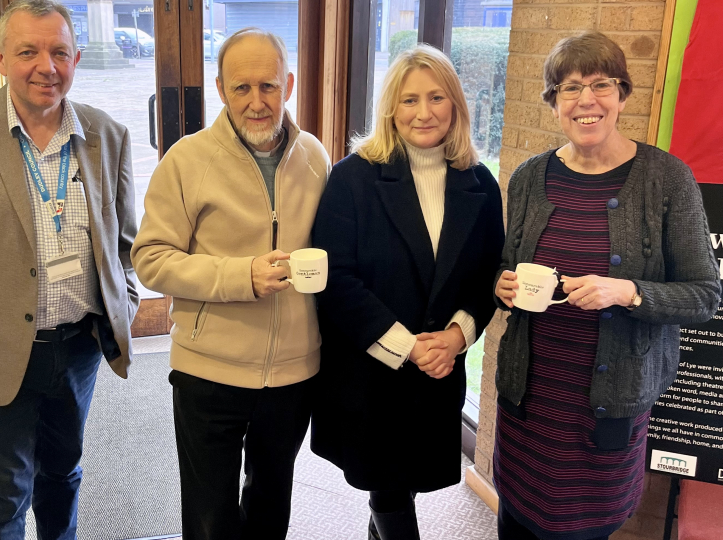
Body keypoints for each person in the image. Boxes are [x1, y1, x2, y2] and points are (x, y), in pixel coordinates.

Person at [0, 1, 139, 538]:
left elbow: (125, 240)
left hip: (79, 346)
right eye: (28, 51)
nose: (46, 66)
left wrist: (122, 304)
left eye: (59, 52)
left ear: (77, 58)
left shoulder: (107, 134)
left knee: (62, 475)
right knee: (4, 491)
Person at [492, 31, 721, 540]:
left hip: (605, 411)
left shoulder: (667, 178)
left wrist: (629, 292)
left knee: (582, 530)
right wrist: (502, 286)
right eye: (569, 88)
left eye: (601, 84)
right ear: (554, 104)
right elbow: (507, 266)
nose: (586, 100)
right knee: (515, 522)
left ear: (622, 94)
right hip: (529, 404)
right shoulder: (530, 177)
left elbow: (706, 295)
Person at [131, 28, 330, 540]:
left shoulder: (315, 158)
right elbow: (151, 259)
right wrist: (242, 275)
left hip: (293, 374)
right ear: (220, 89)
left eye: (268, 86)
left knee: (270, 506)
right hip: (208, 371)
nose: (257, 102)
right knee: (208, 516)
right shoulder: (186, 160)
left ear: (287, 84)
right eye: (242, 88)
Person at [310, 44, 505, 540]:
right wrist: (408, 346)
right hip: (373, 370)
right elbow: (335, 279)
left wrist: (459, 336)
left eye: (437, 97)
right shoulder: (352, 177)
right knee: (390, 490)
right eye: (409, 99)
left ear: (455, 105)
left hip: (439, 369)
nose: (424, 112)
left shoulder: (480, 182)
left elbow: (489, 276)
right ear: (390, 109)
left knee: (404, 485)